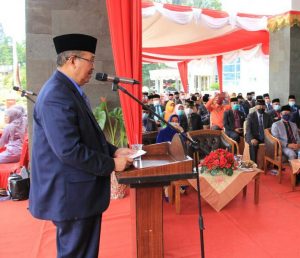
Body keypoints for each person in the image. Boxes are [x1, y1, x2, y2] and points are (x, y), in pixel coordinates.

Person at [28, 33, 134, 258]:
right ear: (72, 60)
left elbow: (88, 137)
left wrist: (114, 150)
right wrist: (112, 163)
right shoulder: (56, 95)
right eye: (91, 60)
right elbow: (69, 150)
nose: (93, 67)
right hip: (70, 194)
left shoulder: (68, 90)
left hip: (77, 193)